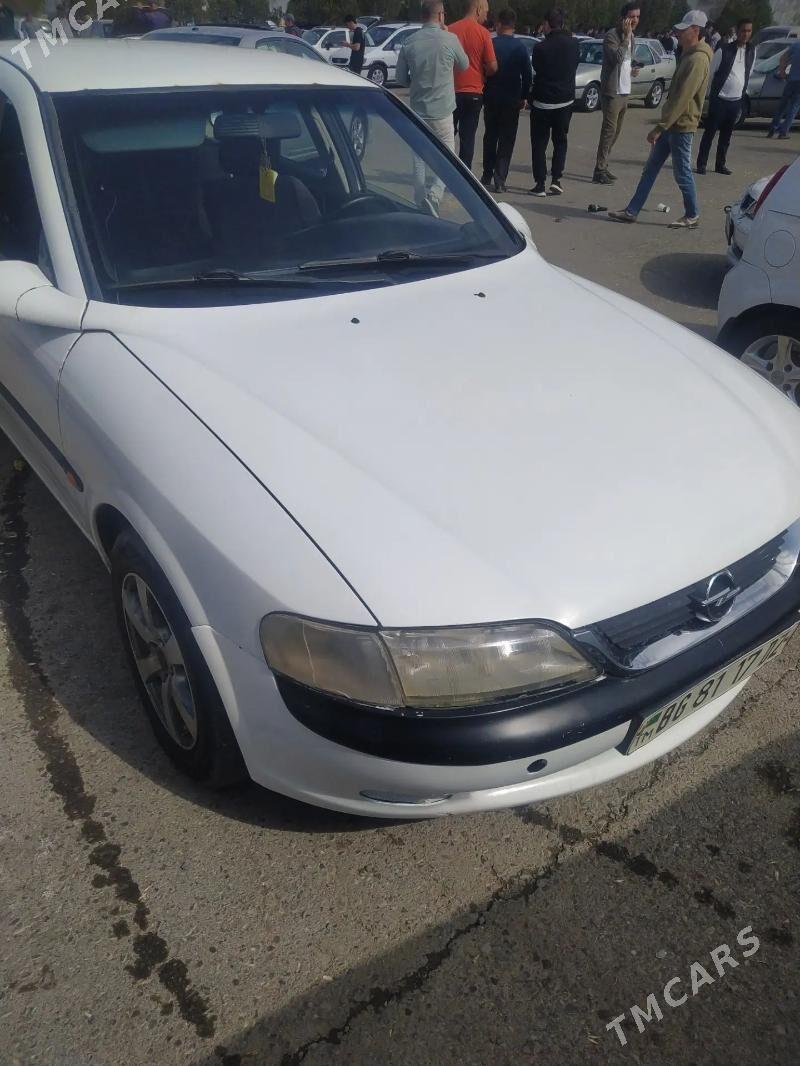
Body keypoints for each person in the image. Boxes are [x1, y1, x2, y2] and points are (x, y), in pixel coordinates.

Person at [609, 10, 712, 229]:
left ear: (696, 30)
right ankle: (632, 210)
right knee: (651, 168)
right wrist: (664, 125)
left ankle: (692, 214)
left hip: (682, 126)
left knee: (682, 172)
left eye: (684, 30)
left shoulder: (698, 59)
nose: (679, 34)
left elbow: (683, 98)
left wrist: (660, 127)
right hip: (671, 124)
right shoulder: (688, 54)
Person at [395, 0, 469, 214]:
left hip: (418, 109)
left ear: (422, 16)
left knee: (418, 158)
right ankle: (435, 196)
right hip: (443, 110)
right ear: (441, 15)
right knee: (448, 158)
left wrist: (416, 83)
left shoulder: (409, 42)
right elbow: (464, 65)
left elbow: (401, 78)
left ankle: (420, 200)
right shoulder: (450, 39)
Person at [528, 8, 580, 197]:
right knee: (560, 141)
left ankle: (540, 183)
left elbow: (537, 68)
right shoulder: (574, 44)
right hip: (565, 101)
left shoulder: (540, 48)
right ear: (562, 24)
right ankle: (556, 179)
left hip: (543, 101)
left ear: (547, 25)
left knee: (539, 144)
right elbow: (575, 65)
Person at [481, 8, 531, 192]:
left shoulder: (491, 43)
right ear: (514, 25)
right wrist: (524, 96)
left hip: (491, 97)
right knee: (506, 140)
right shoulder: (520, 47)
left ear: (499, 24)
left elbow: (483, 69)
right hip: (511, 100)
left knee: (490, 136)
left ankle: (486, 174)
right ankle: (500, 180)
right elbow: (527, 75)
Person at [696, 18, 753, 175]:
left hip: (736, 101)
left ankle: (720, 165)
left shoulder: (751, 51)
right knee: (710, 133)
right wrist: (708, 96)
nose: (746, 34)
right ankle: (701, 163)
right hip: (719, 100)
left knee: (726, 136)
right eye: (743, 30)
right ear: (737, 31)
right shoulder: (724, 50)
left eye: (749, 31)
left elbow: (748, 72)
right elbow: (711, 73)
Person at [593, 3, 641, 185]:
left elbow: (626, 61)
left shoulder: (632, 37)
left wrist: (632, 70)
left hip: (625, 90)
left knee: (616, 132)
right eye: (632, 17)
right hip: (612, 92)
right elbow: (617, 58)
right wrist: (627, 37)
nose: (635, 20)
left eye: (637, 17)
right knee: (608, 131)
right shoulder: (612, 36)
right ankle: (599, 170)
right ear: (623, 18)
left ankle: (604, 164)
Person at [448, 0, 497, 169]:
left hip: (451, 90)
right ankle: (465, 173)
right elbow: (492, 66)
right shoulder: (483, 33)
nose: (486, 16)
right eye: (486, 12)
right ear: (478, 9)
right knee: (467, 138)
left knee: (447, 135)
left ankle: (444, 169)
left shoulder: (450, 30)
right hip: (474, 92)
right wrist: (483, 71)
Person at [767, 37, 800, 139]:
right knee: (793, 107)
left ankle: (772, 128)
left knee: (782, 106)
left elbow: (782, 58)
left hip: (791, 80)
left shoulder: (796, 45)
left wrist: (782, 72)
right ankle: (783, 132)